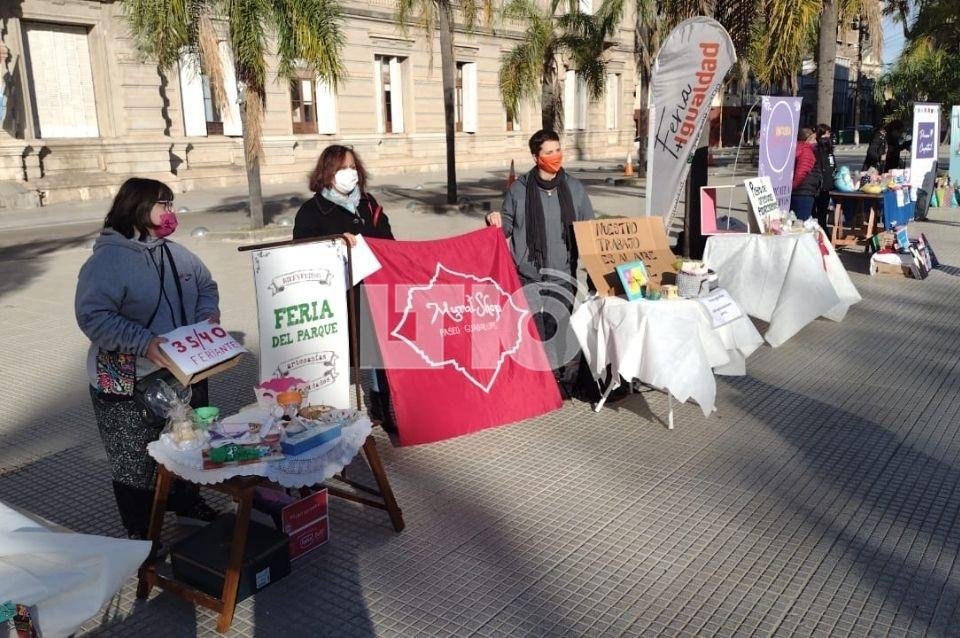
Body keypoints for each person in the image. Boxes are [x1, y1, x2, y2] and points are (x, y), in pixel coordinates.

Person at [75, 177, 220, 540]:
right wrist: (143, 342)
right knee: (133, 459)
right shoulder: (108, 261)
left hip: (182, 368)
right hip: (125, 376)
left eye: (171, 203)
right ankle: (140, 531)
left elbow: (206, 285)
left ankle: (188, 504)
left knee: (189, 442)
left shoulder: (176, 253)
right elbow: (93, 316)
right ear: (137, 208)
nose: (171, 212)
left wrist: (207, 315)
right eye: (163, 204)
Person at [486, 129, 595, 399]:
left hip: (563, 273)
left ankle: (560, 383)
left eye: (557, 150)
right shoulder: (519, 190)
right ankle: (538, 384)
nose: (555, 156)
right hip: (528, 275)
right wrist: (492, 219)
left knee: (559, 328)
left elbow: (590, 231)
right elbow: (504, 228)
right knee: (533, 330)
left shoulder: (574, 188)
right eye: (548, 152)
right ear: (536, 157)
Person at [293, 145, 395, 430]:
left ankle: (382, 408)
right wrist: (335, 242)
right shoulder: (312, 211)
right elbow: (300, 252)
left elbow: (389, 242)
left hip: (373, 288)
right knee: (334, 355)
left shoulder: (369, 204)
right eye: (341, 168)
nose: (349, 173)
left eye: (352, 167)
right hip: (336, 296)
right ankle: (326, 413)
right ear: (327, 172)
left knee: (378, 353)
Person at [791, 128, 822, 221]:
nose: (816, 141)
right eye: (814, 139)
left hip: (799, 191)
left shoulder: (796, 148)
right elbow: (801, 173)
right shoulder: (806, 151)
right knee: (801, 223)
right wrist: (793, 186)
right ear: (808, 139)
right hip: (804, 192)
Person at [814, 123, 837, 229]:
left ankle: (823, 229)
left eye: (829, 134)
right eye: (825, 134)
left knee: (823, 211)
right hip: (819, 187)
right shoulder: (817, 150)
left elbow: (832, 166)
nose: (828, 137)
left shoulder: (829, 150)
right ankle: (820, 230)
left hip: (828, 186)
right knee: (818, 212)